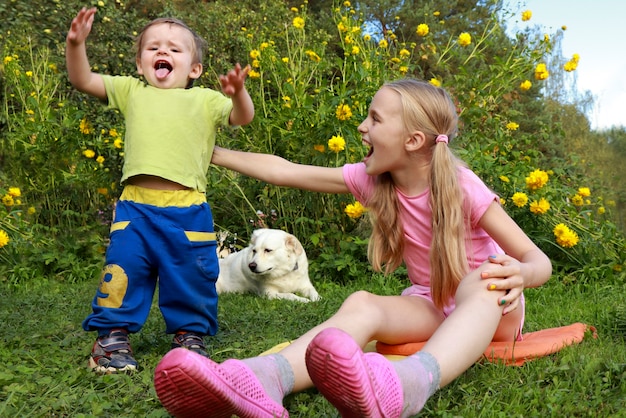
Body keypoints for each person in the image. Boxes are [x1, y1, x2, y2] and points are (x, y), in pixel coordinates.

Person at [153, 79, 552, 417]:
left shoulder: (463, 187)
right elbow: (286, 171)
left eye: (375, 119)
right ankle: (263, 377)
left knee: (482, 281)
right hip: (430, 303)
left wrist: (521, 273)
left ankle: (411, 383)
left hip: (492, 309)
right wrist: (210, 153)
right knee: (362, 302)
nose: (362, 127)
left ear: (413, 140)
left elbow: (539, 260)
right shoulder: (375, 180)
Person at [66, 7, 254, 374]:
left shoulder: (205, 100)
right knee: (123, 273)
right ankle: (111, 339)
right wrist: (76, 44)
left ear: (194, 69)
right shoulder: (132, 90)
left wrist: (238, 93)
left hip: (188, 210)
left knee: (191, 277)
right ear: (140, 64)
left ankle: (189, 338)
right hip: (135, 209)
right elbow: (83, 79)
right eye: (153, 48)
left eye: (174, 49)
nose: (162, 52)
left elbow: (241, 116)